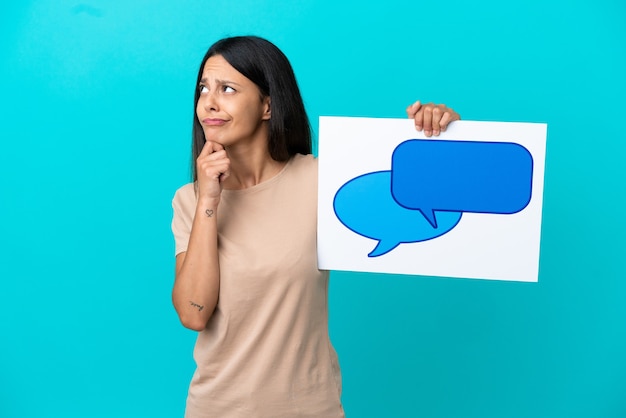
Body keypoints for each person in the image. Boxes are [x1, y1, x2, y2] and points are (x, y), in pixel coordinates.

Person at [171, 35, 460, 418]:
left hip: (309, 409)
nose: (208, 101)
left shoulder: (325, 183)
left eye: (227, 88)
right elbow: (194, 313)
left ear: (268, 105)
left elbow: (427, 205)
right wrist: (209, 201)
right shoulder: (190, 199)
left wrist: (439, 139)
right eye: (203, 89)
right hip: (216, 409)